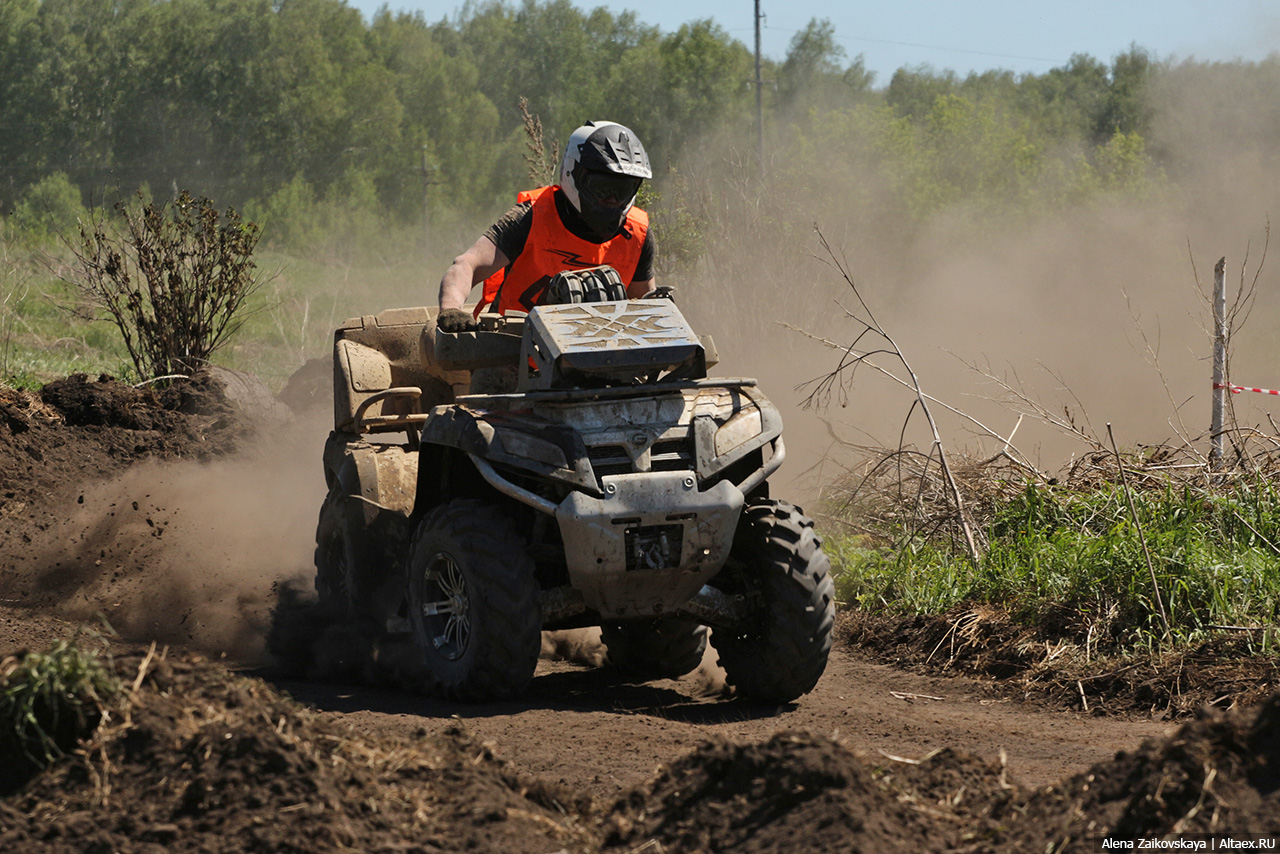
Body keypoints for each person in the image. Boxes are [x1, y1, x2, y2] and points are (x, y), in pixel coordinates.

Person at [436, 120, 656, 333]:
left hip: (598, 357)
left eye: (622, 190)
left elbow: (642, 306)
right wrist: (451, 310)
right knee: (492, 374)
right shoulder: (531, 217)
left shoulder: (637, 235)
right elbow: (467, 265)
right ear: (573, 173)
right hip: (510, 353)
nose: (612, 199)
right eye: (602, 188)